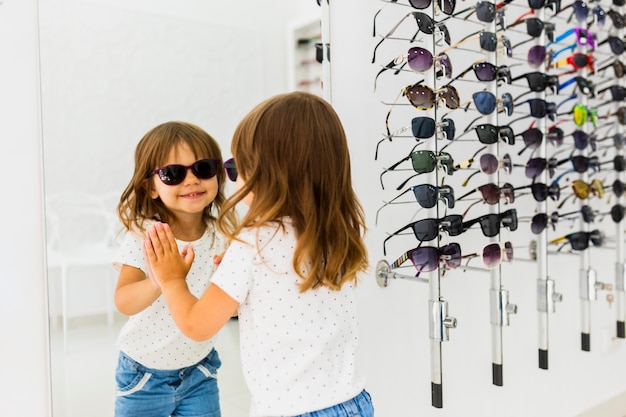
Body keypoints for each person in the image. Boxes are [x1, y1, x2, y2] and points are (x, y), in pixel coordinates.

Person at [144, 91, 375, 417]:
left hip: (288, 410)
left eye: (237, 167)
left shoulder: (252, 244)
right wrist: (242, 291)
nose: (233, 179)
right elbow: (289, 307)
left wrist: (171, 279)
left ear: (271, 174)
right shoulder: (335, 232)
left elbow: (197, 326)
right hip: (353, 402)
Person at [113, 121, 237, 417]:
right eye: (173, 174)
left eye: (204, 168)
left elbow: (228, 310)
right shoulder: (146, 235)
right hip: (142, 374)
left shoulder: (224, 232)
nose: (192, 180)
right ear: (151, 188)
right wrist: (157, 281)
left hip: (200, 370)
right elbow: (123, 301)